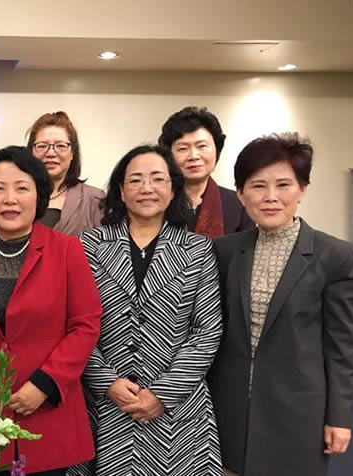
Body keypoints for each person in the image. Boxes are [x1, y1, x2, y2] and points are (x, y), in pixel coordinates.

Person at [209, 133, 353, 476]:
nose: (271, 197)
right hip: (231, 409)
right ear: (241, 193)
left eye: (284, 185)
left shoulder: (335, 255)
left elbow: (342, 346)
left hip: (298, 413)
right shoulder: (225, 250)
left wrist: (339, 417)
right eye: (258, 186)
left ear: (302, 189)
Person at [0, 146, 102, 475]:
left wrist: (45, 384)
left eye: (22, 188)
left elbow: (86, 324)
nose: (10, 199)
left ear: (39, 195)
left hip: (45, 410)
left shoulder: (66, 250)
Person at [81, 144, 223, 475]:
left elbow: (207, 331)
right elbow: (76, 323)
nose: (147, 188)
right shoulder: (89, 246)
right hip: (107, 404)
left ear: (173, 189)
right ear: (121, 190)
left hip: (178, 409)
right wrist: (106, 381)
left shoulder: (198, 249)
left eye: (158, 179)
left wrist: (163, 392)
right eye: (136, 180)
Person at [158, 106, 252, 237]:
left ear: (216, 150)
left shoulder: (239, 204)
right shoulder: (156, 201)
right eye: (183, 148)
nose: (193, 156)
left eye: (202, 146)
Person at [26, 111, 105, 236]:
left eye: (60, 146)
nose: (51, 153)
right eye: (42, 146)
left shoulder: (95, 200)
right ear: (31, 152)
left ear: (72, 153)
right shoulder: (16, 196)